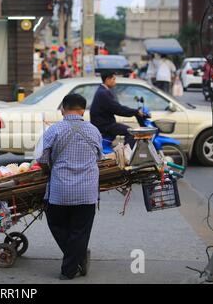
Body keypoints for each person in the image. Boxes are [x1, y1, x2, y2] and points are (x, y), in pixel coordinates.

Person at [37, 94, 103, 280]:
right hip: (87, 192)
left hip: (60, 191)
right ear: (83, 110)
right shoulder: (94, 131)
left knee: (56, 223)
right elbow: (99, 158)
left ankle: (69, 269)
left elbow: (42, 160)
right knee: (80, 230)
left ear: (62, 109)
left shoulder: (54, 130)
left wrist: (49, 168)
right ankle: (76, 256)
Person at [90, 71, 144, 149]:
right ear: (108, 79)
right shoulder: (103, 93)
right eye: (114, 79)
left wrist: (133, 111)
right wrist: (135, 112)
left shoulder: (102, 91)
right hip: (105, 125)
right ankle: (127, 156)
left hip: (105, 123)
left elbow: (116, 107)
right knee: (131, 133)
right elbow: (118, 109)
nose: (115, 82)